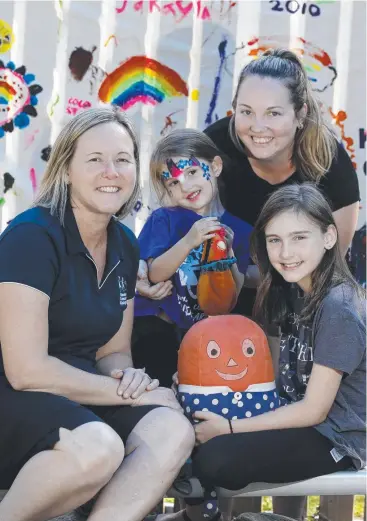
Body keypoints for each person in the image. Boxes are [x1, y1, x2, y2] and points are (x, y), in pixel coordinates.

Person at [0, 107, 195, 521]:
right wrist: (125, 393)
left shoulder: (124, 244)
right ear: (67, 170)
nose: (111, 171)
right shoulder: (30, 237)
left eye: (122, 160)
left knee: (171, 429)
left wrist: (128, 377)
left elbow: (112, 352)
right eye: (95, 160)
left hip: (79, 395)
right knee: (98, 446)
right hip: (14, 398)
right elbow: (26, 371)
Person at [152, 183, 365, 521]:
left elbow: (314, 410)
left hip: (338, 440)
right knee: (181, 435)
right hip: (298, 419)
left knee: (216, 458)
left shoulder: (339, 306)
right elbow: (275, 382)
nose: (285, 252)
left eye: (299, 237)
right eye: (274, 240)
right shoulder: (291, 293)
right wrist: (204, 386)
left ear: (328, 237)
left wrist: (231, 427)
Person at [132, 128, 253, 387]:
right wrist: (189, 240)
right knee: (161, 385)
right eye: (173, 182)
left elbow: (234, 294)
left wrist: (228, 254)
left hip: (201, 333)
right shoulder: (165, 219)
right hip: (155, 328)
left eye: (192, 172)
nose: (185, 186)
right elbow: (154, 274)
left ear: (216, 166)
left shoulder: (240, 231)